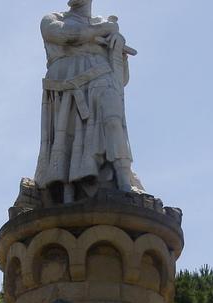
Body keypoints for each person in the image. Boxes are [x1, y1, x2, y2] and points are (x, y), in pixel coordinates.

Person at [34, 0, 142, 204]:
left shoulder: (103, 24)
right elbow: (65, 34)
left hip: (102, 76)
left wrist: (117, 51)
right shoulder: (52, 19)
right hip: (67, 85)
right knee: (69, 137)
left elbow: (122, 80)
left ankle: (125, 182)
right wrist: (102, 31)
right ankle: (70, 187)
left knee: (113, 120)